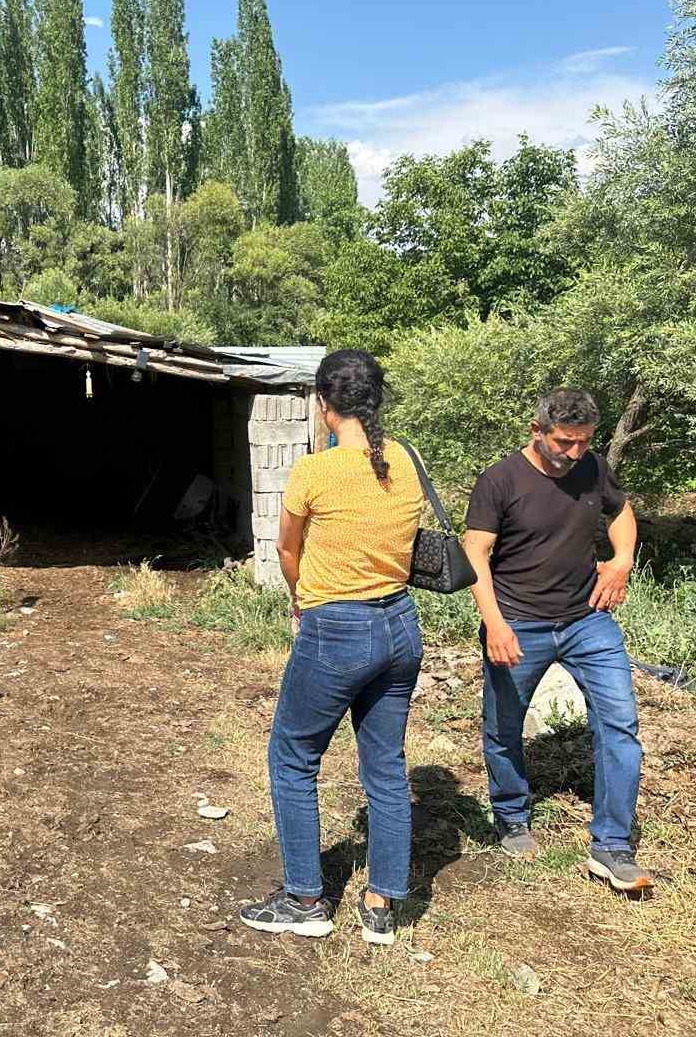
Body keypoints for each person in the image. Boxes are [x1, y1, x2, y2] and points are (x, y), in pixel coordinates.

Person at [240, 350, 426, 947]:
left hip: (337, 629)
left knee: (293, 759)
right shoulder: (405, 459)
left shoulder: (315, 471)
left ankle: (305, 899)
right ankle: (381, 906)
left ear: (324, 404)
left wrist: (302, 601)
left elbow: (287, 550)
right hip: (400, 625)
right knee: (387, 769)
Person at [462, 389, 650, 891]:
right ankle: (511, 814)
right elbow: (475, 554)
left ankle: (612, 845)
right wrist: (495, 624)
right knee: (503, 726)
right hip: (518, 623)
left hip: (588, 618)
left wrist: (622, 560)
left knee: (621, 723)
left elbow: (622, 513)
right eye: (564, 443)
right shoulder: (500, 479)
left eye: (584, 443)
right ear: (536, 430)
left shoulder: (592, 468)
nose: (573, 453)